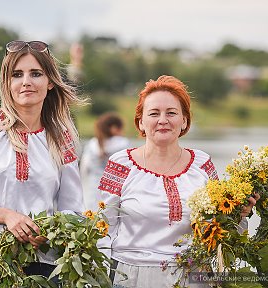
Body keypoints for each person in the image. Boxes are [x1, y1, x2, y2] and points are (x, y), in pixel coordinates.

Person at [97, 75, 259, 288]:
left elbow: (219, 231)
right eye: (154, 113)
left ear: (184, 120)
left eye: (171, 113)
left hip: (193, 275)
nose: (163, 120)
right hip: (131, 277)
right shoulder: (120, 164)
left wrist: (240, 214)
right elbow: (103, 229)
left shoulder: (202, 163)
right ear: (141, 122)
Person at [0, 40, 85, 283]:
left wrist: (52, 232)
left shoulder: (62, 137)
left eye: (35, 73)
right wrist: (5, 215)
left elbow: (72, 207)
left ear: (50, 81)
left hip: (43, 267)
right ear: (7, 82)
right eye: (17, 74)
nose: (26, 81)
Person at [80, 112, 130, 211]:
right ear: (114, 129)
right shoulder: (123, 144)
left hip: (92, 191)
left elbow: (84, 170)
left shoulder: (92, 144)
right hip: (115, 193)